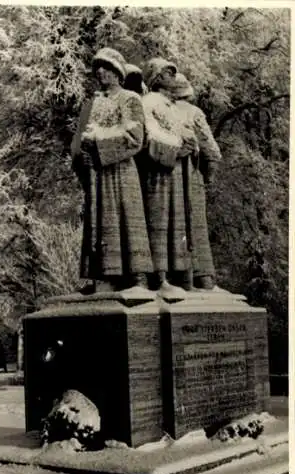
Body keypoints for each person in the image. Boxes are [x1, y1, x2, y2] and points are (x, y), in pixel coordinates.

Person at [71, 48, 153, 293]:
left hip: (121, 170)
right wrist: (85, 153)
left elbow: (135, 137)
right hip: (98, 173)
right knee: (102, 222)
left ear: (118, 72)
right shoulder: (95, 102)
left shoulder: (130, 99)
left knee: (127, 219)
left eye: (106, 67)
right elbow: (82, 137)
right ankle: (105, 275)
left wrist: (99, 141)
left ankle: (137, 276)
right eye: (98, 68)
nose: (100, 72)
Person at [141, 58, 198, 298]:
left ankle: (179, 274)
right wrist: (177, 148)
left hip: (177, 172)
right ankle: (160, 275)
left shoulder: (173, 107)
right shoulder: (149, 102)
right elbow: (149, 136)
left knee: (178, 224)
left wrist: (191, 145)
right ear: (156, 77)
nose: (172, 77)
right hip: (158, 171)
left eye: (172, 73)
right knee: (159, 221)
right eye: (167, 73)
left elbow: (186, 135)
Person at [172, 73, 222, 290]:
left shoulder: (162, 111)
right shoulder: (194, 113)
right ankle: (204, 277)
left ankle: (181, 276)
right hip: (193, 178)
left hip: (165, 180)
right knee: (197, 228)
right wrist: (207, 177)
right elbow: (212, 152)